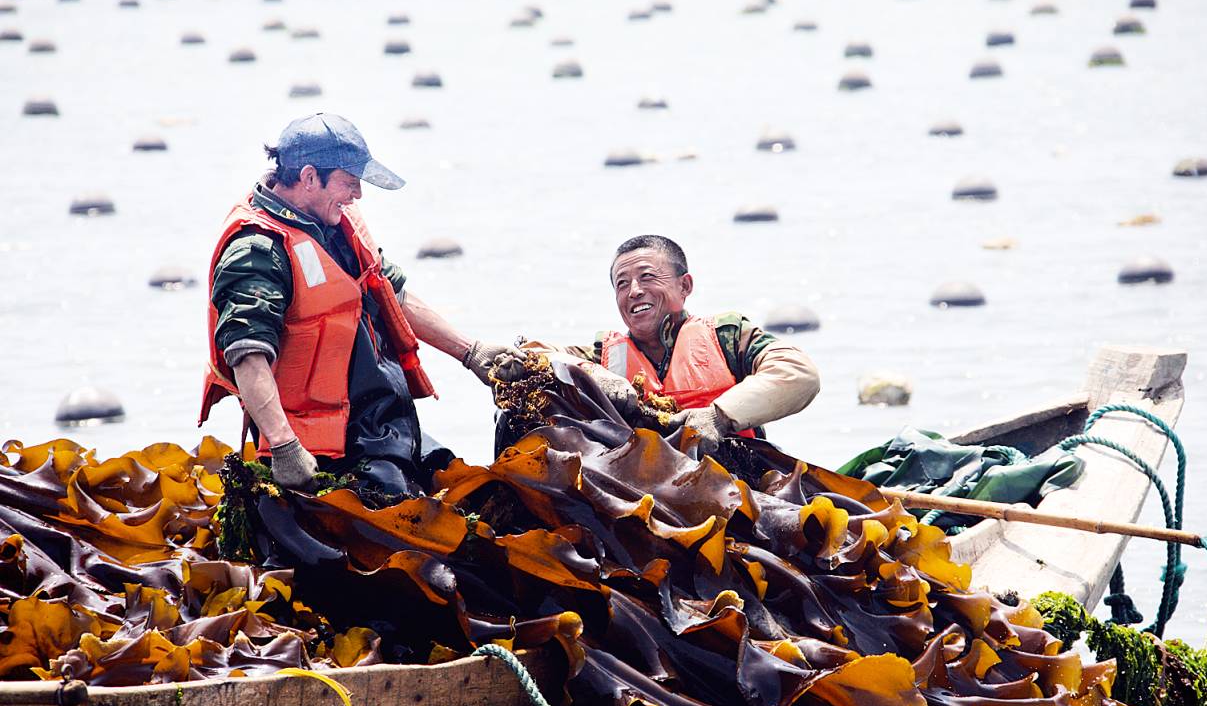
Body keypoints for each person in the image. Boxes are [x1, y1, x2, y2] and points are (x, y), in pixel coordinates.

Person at [199, 113, 520, 495]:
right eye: (350, 183)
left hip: (383, 425)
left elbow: (392, 294)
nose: (358, 195)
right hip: (328, 450)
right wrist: (285, 447)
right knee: (415, 529)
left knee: (478, 491)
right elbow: (247, 356)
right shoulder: (257, 251)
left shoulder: (337, 222)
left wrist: (472, 353)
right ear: (308, 177)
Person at [499, 235, 820, 453]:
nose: (634, 291)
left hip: (737, 488)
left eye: (648, 277)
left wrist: (718, 417)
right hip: (638, 498)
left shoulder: (729, 337)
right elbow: (532, 357)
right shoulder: (604, 356)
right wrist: (593, 374)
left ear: (685, 286)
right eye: (622, 284)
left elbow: (799, 374)